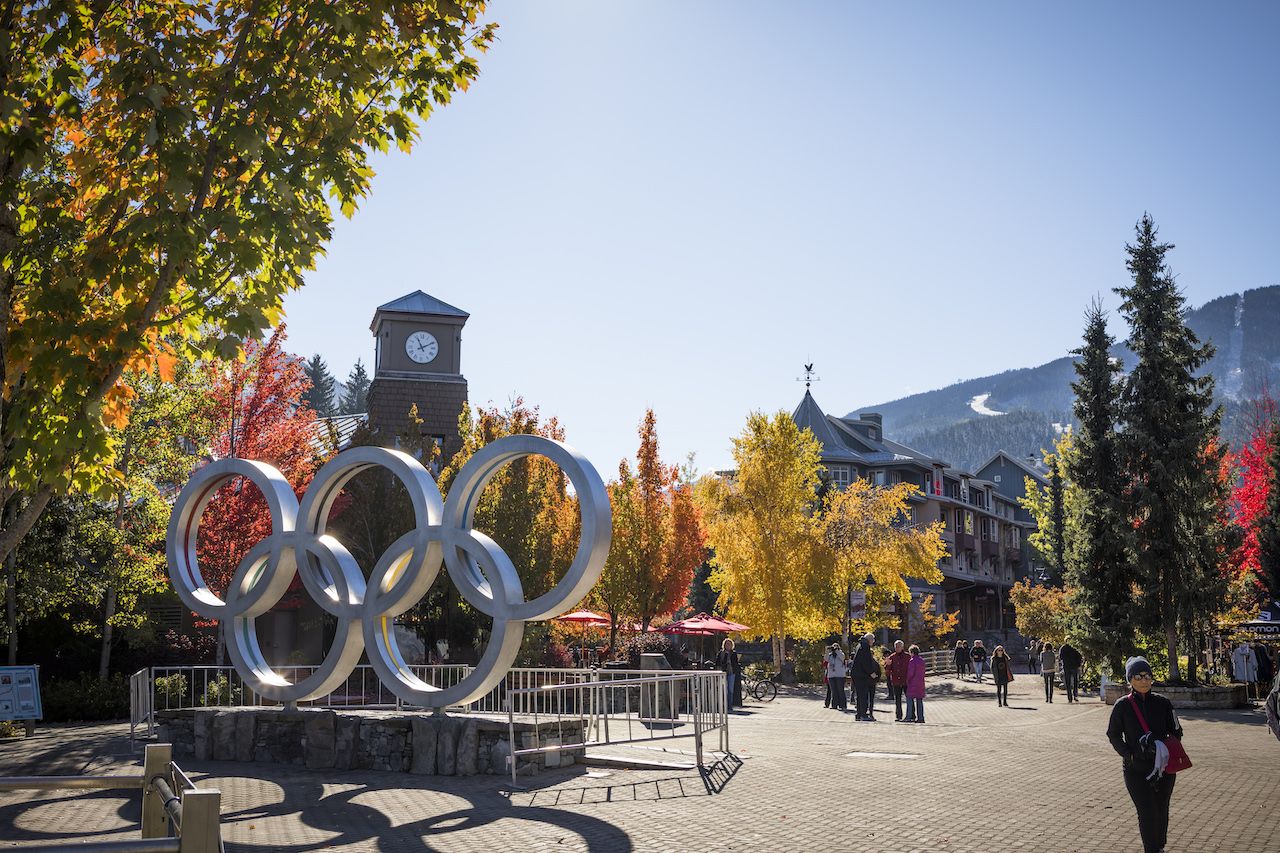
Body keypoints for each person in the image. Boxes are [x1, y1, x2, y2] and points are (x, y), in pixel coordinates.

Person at [1106, 657, 1184, 853]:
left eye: (1148, 676)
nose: (1144, 680)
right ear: (1130, 679)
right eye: (1139, 676)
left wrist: (1161, 746)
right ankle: (1152, 849)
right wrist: (1128, 754)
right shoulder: (1122, 705)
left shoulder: (1163, 703)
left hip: (1163, 767)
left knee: (1161, 809)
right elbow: (1113, 734)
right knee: (1147, 810)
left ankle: (1159, 846)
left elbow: (1176, 731)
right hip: (1136, 769)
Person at [850, 633, 881, 721]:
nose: (873, 642)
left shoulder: (860, 645)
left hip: (856, 674)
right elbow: (866, 661)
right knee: (863, 695)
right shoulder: (865, 646)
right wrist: (871, 672)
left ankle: (859, 714)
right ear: (870, 639)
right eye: (873, 640)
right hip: (861, 675)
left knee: (859, 695)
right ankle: (863, 714)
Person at [885, 640, 910, 721]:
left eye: (899, 646)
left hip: (906, 681)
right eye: (896, 646)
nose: (897, 648)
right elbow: (887, 670)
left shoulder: (907, 656)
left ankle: (911, 715)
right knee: (897, 700)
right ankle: (898, 716)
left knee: (909, 699)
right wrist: (888, 665)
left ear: (902, 647)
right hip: (896, 681)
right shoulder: (892, 657)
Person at [716, 638, 742, 709]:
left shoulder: (733, 653)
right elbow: (718, 663)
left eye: (729, 644)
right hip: (723, 673)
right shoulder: (721, 653)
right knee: (723, 689)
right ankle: (722, 704)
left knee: (730, 689)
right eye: (726, 644)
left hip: (731, 673)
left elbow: (735, 663)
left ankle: (729, 705)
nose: (728, 645)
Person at [903, 644, 926, 723]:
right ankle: (921, 717)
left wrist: (907, 680)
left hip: (913, 683)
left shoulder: (912, 661)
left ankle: (908, 717)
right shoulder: (922, 660)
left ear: (912, 652)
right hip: (920, 683)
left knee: (909, 699)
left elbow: (910, 673)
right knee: (919, 700)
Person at [824, 644, 848, 711]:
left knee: (840, 691)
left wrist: (837, 650)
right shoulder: (830, 655)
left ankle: (843, 705)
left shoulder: (841, 653)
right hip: (831, 675)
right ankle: (834, 705)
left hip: (840, 675)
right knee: (833, 691)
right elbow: (826, 659)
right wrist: (827, 651)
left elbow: (842, 658)